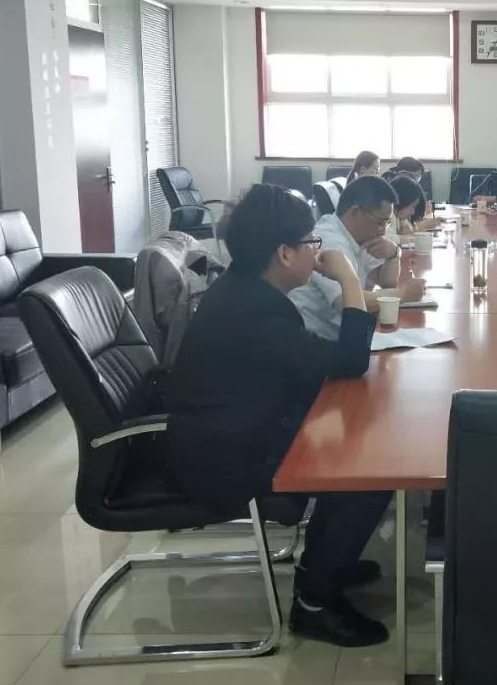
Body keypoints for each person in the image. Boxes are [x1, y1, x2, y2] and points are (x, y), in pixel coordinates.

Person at [165, 184, 392, 647]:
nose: (317, 251)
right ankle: (314, 602)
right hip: (225, 455)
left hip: (237, 427)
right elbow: (350, 361)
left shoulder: (247, 291)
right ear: (285, 253)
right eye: (311, 242)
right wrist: (348, 279)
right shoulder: (257, 311)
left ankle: (328, 562)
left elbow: (308, 364)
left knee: (358, 439)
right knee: (367, 469)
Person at [291, 176, 425, 339]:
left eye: (387, 223)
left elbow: (386, 282)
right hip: (320, 342)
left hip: (345, 335)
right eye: (380, 222)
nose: (383, 231)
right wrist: (403, 294)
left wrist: (394, 255)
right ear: (355, 212)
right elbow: (347, 303)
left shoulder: (359, 235)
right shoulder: (330, 240)